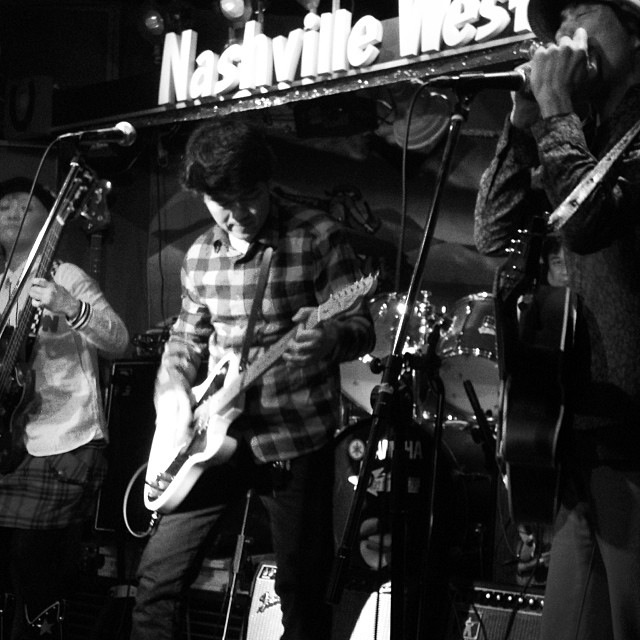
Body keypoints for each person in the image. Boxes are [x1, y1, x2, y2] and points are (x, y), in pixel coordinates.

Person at [130, 116, 375, 640]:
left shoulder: (317, 236)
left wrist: (329, 339)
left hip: (293, 438)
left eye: (251, 198)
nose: (239, 214)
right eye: (222, 202)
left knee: (302, 596)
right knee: (156, 581)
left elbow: (360, 326)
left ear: (268, 183)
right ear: (201, 196)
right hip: (210, 438)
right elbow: (185, 341)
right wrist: (172, 392)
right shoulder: (199, 256)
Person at [474, 1, 640, 638]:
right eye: (557, 23)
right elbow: (494, 231)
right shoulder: (573, 133)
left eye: (583, 11)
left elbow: (587, 221)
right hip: (577, 437)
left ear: (635, 31)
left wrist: (557, 112)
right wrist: (523, 126)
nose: (566, 34)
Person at [0, 176, 130, 639]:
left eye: (24, 206)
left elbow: (119, 339)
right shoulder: (2, 287)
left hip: (64, 443)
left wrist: (70, 306)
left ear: (49, 222)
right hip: (10, 445)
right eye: (4, 207)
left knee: (36, 569)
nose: (11, 212)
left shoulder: (67, 275)